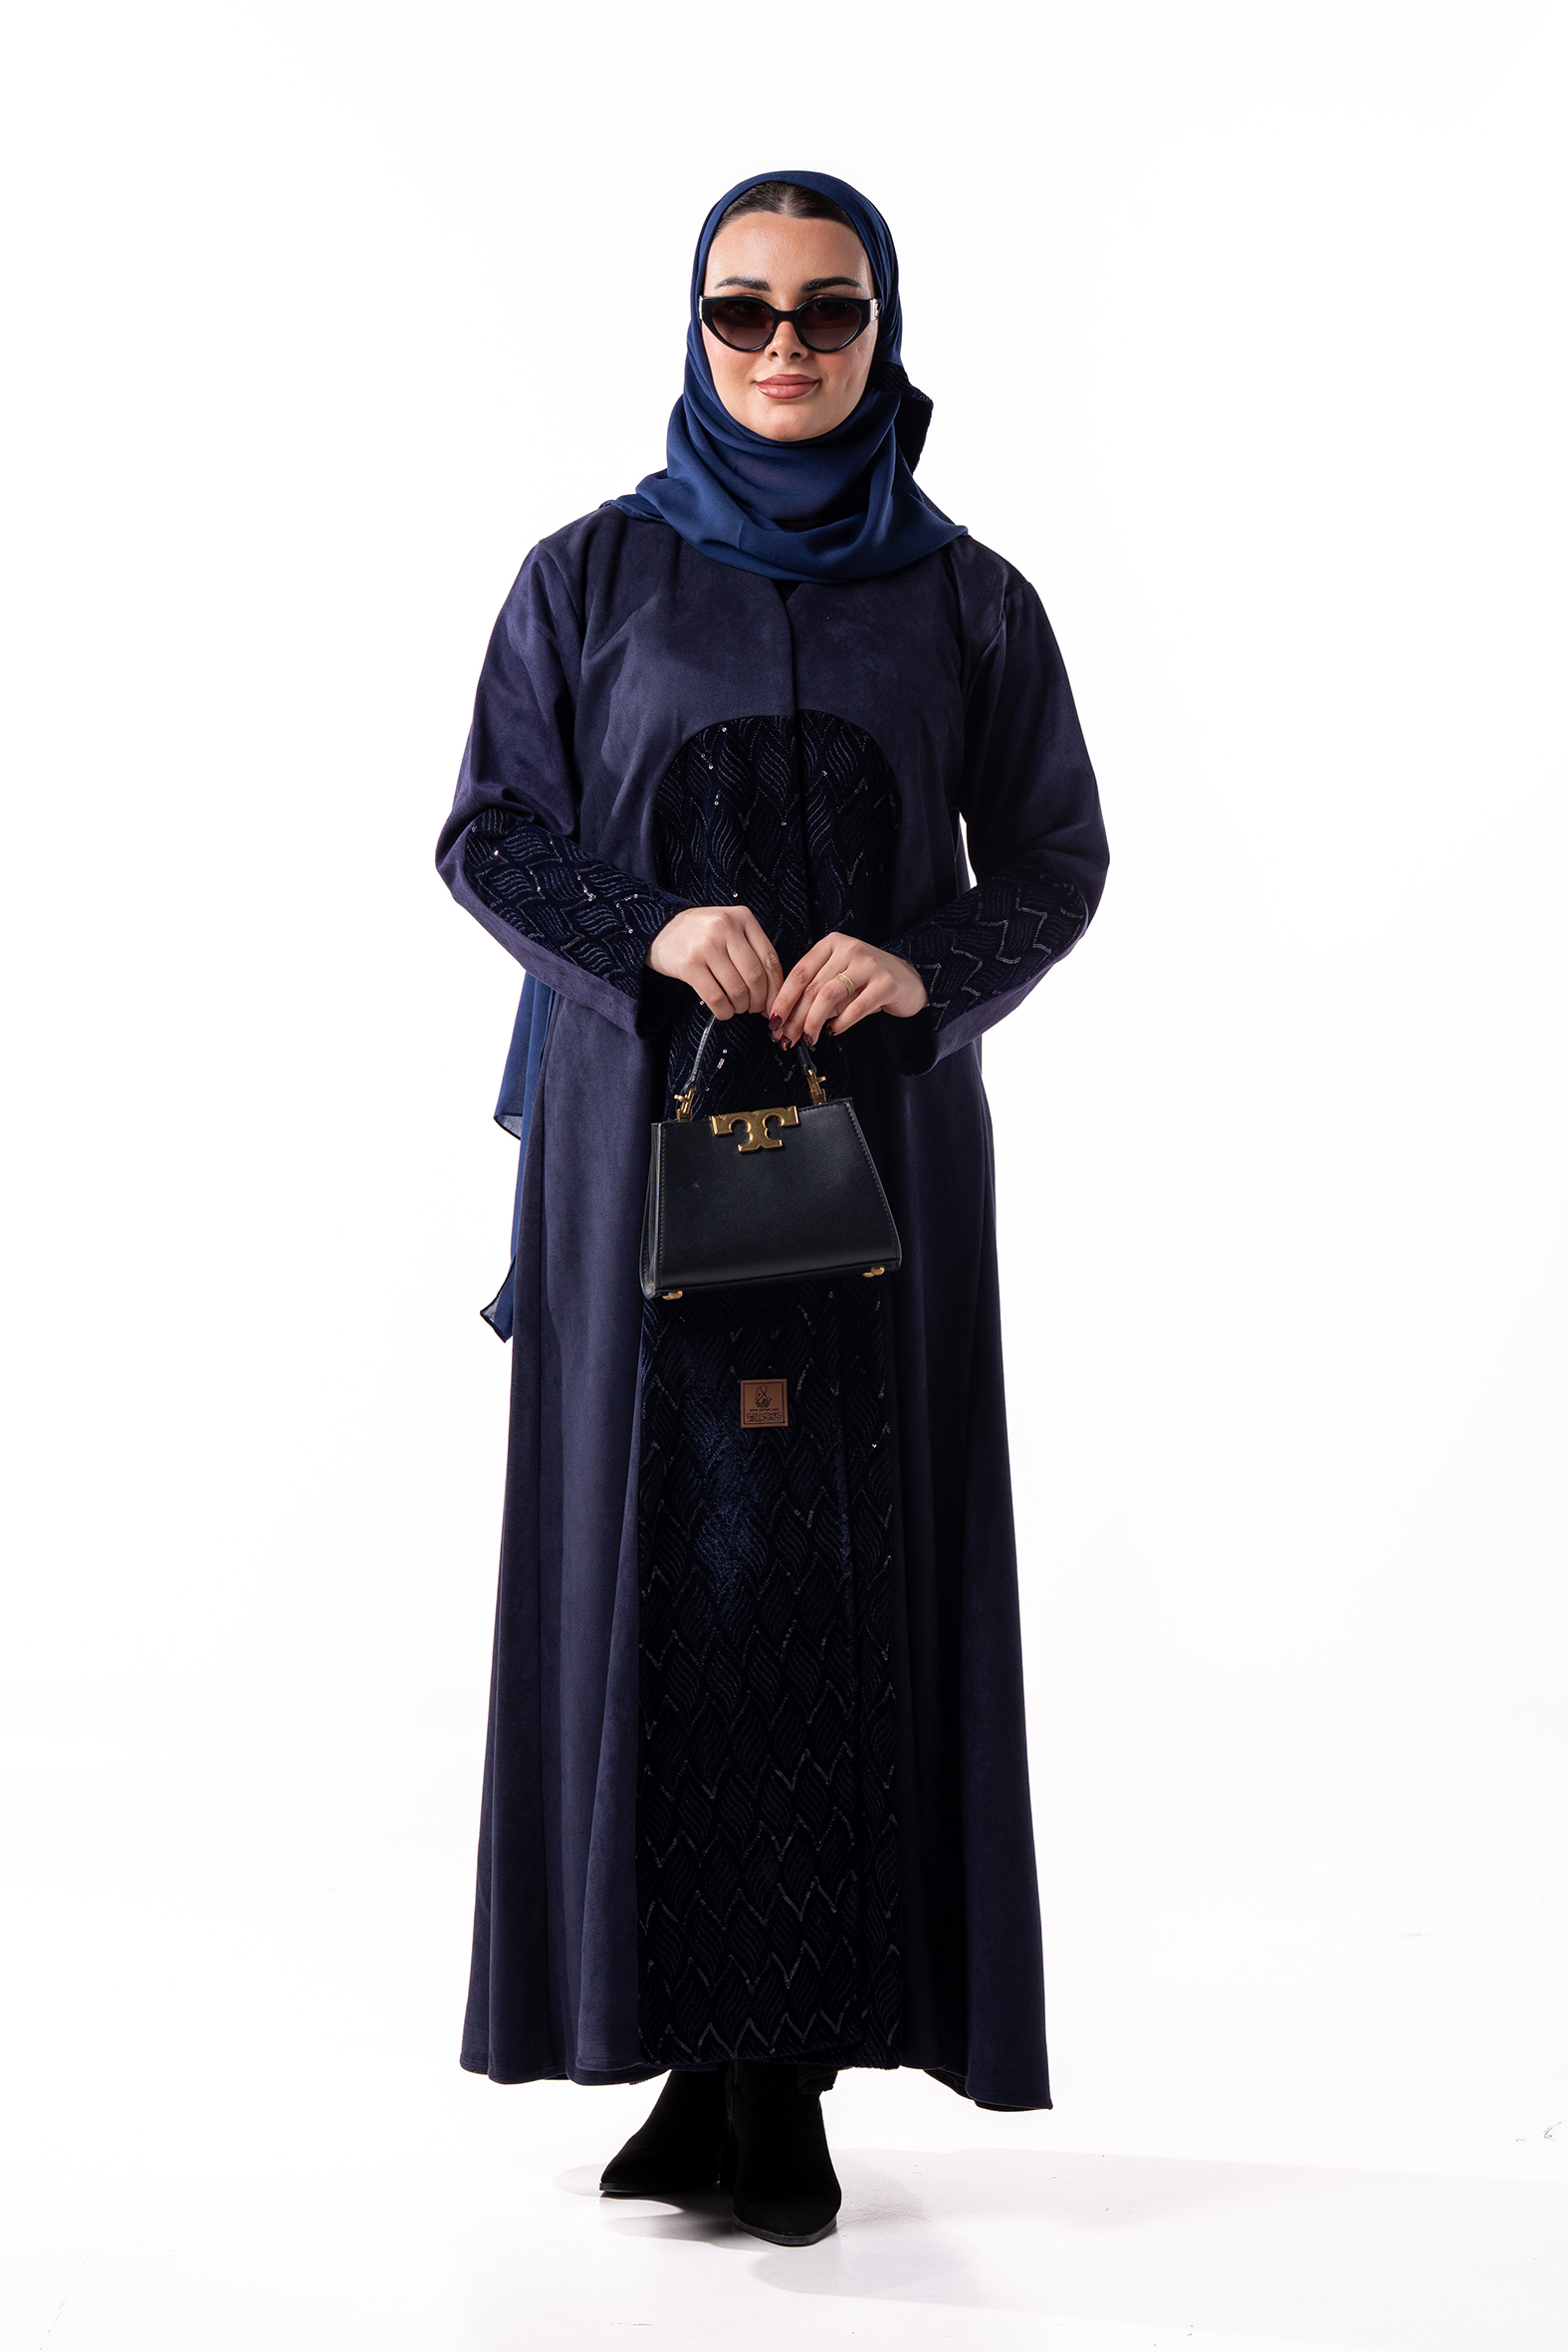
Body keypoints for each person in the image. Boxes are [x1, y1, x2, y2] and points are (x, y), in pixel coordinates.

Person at [436, 169, 1108, 2248]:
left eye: (829, 313)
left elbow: (1056, 857)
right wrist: (649, 927)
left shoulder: (969, 600)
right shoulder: (586, 577)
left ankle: (784, 2075)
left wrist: (921, 961)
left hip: (868, 1171)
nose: (786, 349)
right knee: (655, 1575)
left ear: (885, 331)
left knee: (831, 1578)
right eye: (744, 312)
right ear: (694, 328)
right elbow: (488, 833)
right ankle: (676, 2050)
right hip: (632, 1169)